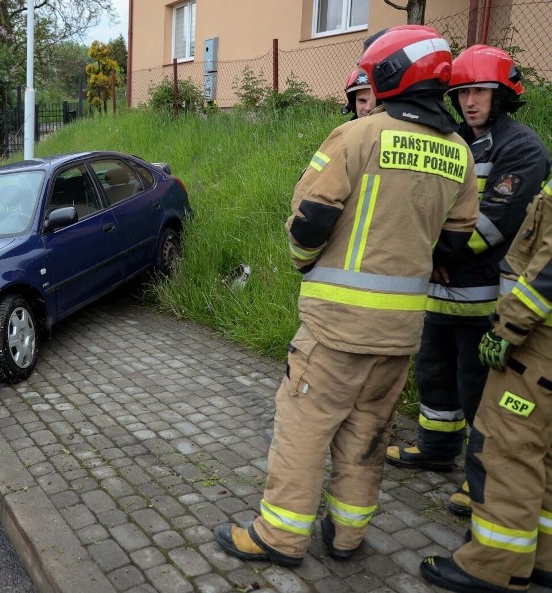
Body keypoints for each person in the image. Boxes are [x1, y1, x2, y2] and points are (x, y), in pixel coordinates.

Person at [214, 25, 479, 566]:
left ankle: (280, 537)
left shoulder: (357, 135)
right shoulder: (460, 153)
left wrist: (301, 263)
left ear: (387, 74)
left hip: (336, 329)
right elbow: (456, 243)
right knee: (368, 436)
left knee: (303, 430)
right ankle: (346, 536)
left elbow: (311, 219)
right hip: (402, 333)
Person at [386, 45, 551, 516]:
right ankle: (436, 450)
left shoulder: (521, 148)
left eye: (479, 91)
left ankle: (477, 477)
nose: (469, 102)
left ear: (501, 94)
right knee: (435, 374)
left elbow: (494, 222)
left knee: (481, 390)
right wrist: (429, 253)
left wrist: (433, 252)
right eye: (461, 94)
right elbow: (422, 204)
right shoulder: (453, 139)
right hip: (439, 289)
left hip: (485, 298)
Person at [421, 178, 552, 592]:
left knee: (503, 449)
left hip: (538, 345)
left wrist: (507, 328)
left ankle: (493, 566)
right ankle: (543, 558)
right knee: (544, 456)